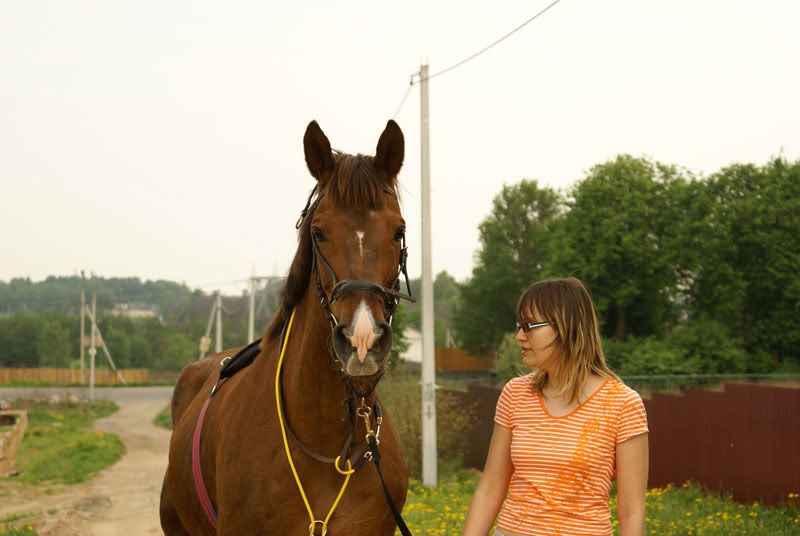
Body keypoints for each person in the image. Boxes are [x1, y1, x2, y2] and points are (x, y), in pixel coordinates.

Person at [463, 277, 649, 536]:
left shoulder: (622, 404)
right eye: (519, 325)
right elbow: (491, 487)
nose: (519, 336)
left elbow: (632, 511)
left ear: (566, 327)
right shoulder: (514, 394)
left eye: (529, 326)